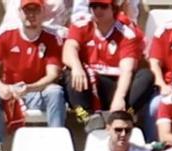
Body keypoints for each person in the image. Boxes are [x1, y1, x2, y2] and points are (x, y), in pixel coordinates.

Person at [0, 0, 66, 141]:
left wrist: (29, 88)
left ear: (43, 13)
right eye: (27, 10)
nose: (31, 15)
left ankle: (55, 144)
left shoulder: (52, 38)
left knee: (55, 92)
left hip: (37, 92)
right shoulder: (6, 35)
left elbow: (52, 75)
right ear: (19, 13)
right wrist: (1, 87)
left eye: (36, 10)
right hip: (10, 90)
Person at [64, 0, 153, 128]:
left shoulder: (126, 33)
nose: (97, 10)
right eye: (93, 6)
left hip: (116, 82)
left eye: (103, 6)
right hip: (91, 81)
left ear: (113, 9)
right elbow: (68, 49)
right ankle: (87, 117)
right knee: (70, 72)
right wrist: (77, 67)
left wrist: (119, 98)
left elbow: (127, 70)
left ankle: (123, 115)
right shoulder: (81, 25)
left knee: (146, 76)